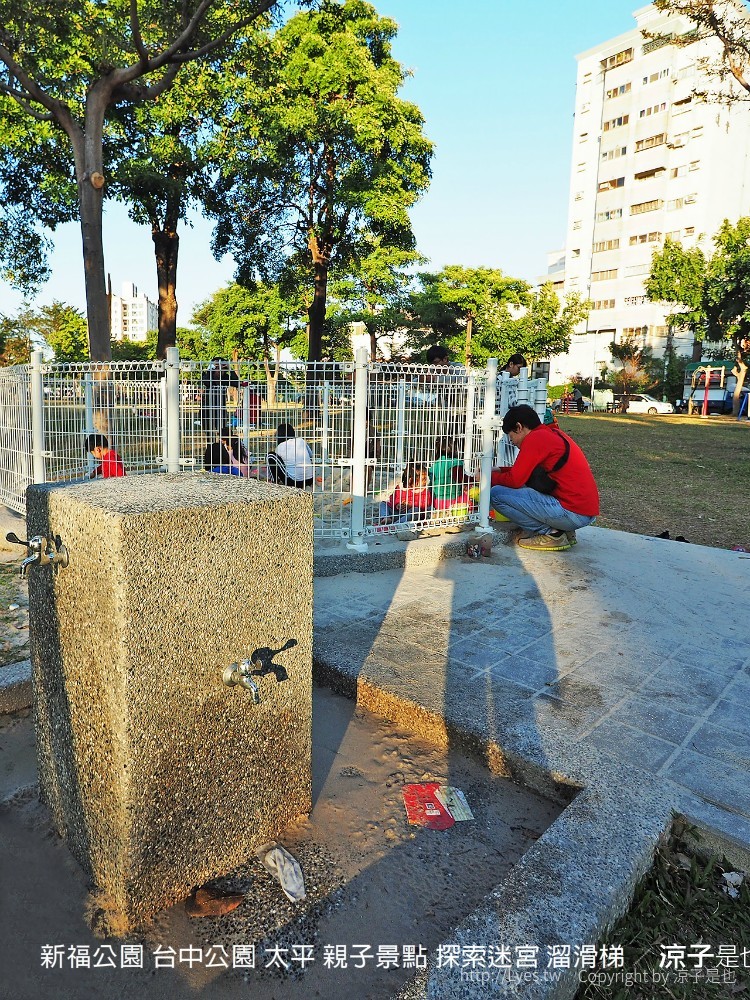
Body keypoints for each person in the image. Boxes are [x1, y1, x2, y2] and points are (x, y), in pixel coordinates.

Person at [490, 404, 599, 551]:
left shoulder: (535, 439)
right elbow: (523, 472)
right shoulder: (551, 434)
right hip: (584, 511)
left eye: (511, 436)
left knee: (496, 494)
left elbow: (515, 480)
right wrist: (498, 470)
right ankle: (565, 531)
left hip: (572, 513)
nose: (513, 442)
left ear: (519, 427)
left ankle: (552, 534)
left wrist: (487, 478)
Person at [430, 437, 474, 512]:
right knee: (471, 502)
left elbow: (431, 484)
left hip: (439, 501)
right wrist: (474, 479)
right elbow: (460, 478)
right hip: (455, 499)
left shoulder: (434, 465)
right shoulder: (455, 463)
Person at [201, 359, 240, 437]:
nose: (220, 370)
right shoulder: (207, 375)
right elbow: (207, 382)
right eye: (217, 367)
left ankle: (222, 448)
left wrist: (230, 369)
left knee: (222, 432)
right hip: (207, 409)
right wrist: (210, 368)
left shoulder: (225, 378)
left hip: (221, 409)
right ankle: (211, 448)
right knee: (209, 433)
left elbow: (237, 383)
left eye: (222, 367)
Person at [267, 423, 314, 488]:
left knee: (270, 456)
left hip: (293, 482)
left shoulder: (280, 447)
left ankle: (273, 481)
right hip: (310, 480)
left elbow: (278, 465)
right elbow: (311, 455)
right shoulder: (301, 440)